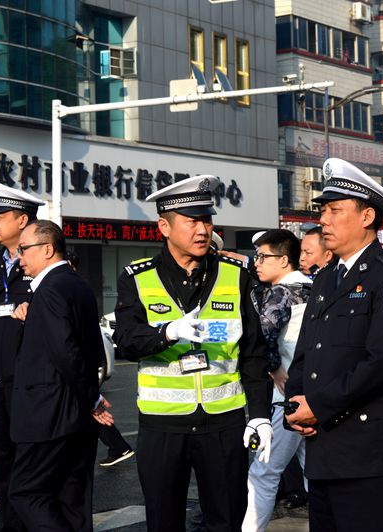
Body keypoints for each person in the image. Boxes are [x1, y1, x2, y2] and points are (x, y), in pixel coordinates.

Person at [113, 175, 272, 532]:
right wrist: (167, 333)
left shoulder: (236, 275)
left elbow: (253, 352)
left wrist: (259, 414)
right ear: (164, 227)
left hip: (224, 424)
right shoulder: (136, 278)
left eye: (207, 220)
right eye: (192, 221)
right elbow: (126, 341)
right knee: (163, 522)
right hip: (162, 426)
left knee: (227, 520)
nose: (202, 229)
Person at [285, 158, 383, 532]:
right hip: (324, 449)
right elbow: (307, 354)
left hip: (370, 455)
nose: (324, 220)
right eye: (322, 211)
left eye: (334, 210)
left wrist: (319, 405)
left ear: (366, 217)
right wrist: (295, 404)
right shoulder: (327, 278)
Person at [8, 220, 113, 530]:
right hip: (76, 416)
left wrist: (93, 399)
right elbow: (88, 349)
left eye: (24, 249)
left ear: (48, 249)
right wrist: (89, 397)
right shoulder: (77, 284)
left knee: (26, 493)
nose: (19, 257)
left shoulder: (50, 290)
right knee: (74, 500)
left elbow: (66, 352)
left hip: (49, 416)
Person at [0, 182, 44, 532]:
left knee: (29, 464)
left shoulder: (42, 263)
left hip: (27, 382)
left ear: (21, 221)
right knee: (0, 463)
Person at [242, 229, 312, 532]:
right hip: (313, 395)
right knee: (316, 472)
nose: (257, 263)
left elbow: (260, 338)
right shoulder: (317, 287)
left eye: (263, 256)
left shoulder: (281, 293)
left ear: (284, 260)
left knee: (263, 473)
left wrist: (273, 368)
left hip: (284, 398)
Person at [66, 250, 136, 467]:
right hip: (82, 358)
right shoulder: (75, 284)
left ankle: (118, 446)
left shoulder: (71, 286)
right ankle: (118, 446)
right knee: (85, 405)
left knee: (84, 404)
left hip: (77, 359)